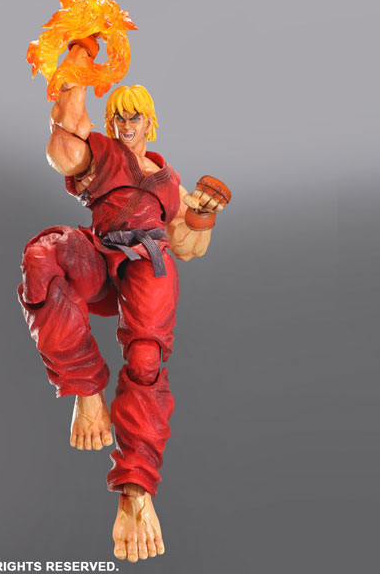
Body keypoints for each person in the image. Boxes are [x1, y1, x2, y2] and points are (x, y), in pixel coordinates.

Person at [18, 37, 225, 563]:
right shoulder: (102, 155)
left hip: (149, 266)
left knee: (147, 361)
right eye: (118, 117)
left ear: (150, 122)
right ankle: (85, 387)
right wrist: (82, 51)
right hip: (101, 257)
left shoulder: (169, 180)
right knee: (44, 253)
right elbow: (64, 140)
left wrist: (202, 214)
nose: (126, 125)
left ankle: (136, 492)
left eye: (134, 117)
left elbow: (188, 245)